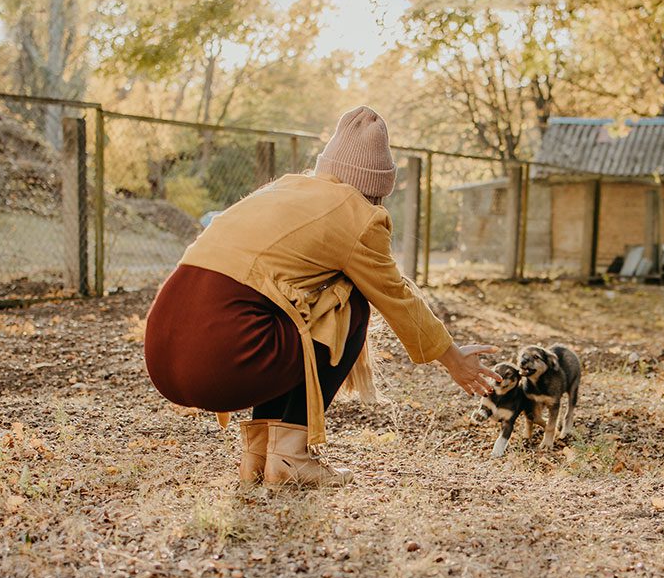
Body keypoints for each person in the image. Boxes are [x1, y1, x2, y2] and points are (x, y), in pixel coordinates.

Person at [143, 106, 500, 487]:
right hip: (217, 363)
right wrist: (452, 358)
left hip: (163, 354)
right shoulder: (359, 215)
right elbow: (395, 294)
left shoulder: (284, 188)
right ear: (377, 188)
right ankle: (291, 458)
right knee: (352, 300)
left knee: (287, 314)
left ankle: (260, 457)